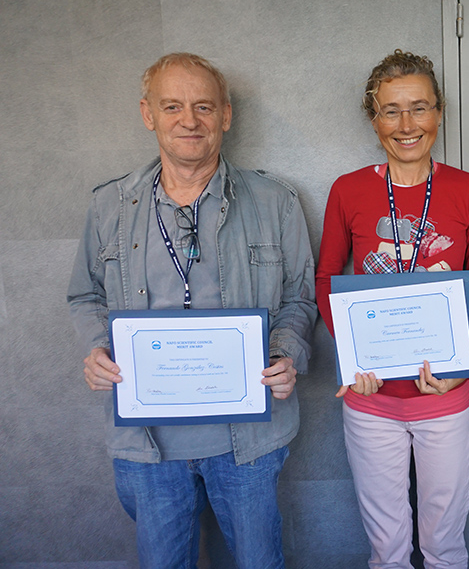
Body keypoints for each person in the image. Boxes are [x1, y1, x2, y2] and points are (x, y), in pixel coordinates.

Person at [67, 53, 316, 568]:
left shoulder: (276, 202)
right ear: (148, 114)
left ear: (225, 115)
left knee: (259, 563)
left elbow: (300, 298)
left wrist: (288, 355)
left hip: (249, 437)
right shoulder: (108, 206)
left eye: (204, 106)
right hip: (146, 441)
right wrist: (95, 348)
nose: (189, 120)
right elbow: (85, 295)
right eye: (172, 106)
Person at [316, 50, 469, 569]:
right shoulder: (348, 191)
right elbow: (326, 280)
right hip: (371, 400)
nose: (407, 124)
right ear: (373, 120)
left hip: (445, 397)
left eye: (419, 108)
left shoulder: (467, 190)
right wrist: (354, 358)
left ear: (439, 113)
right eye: (391, 110)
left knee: (444, 547)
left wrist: (461, 370)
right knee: (387, 550)